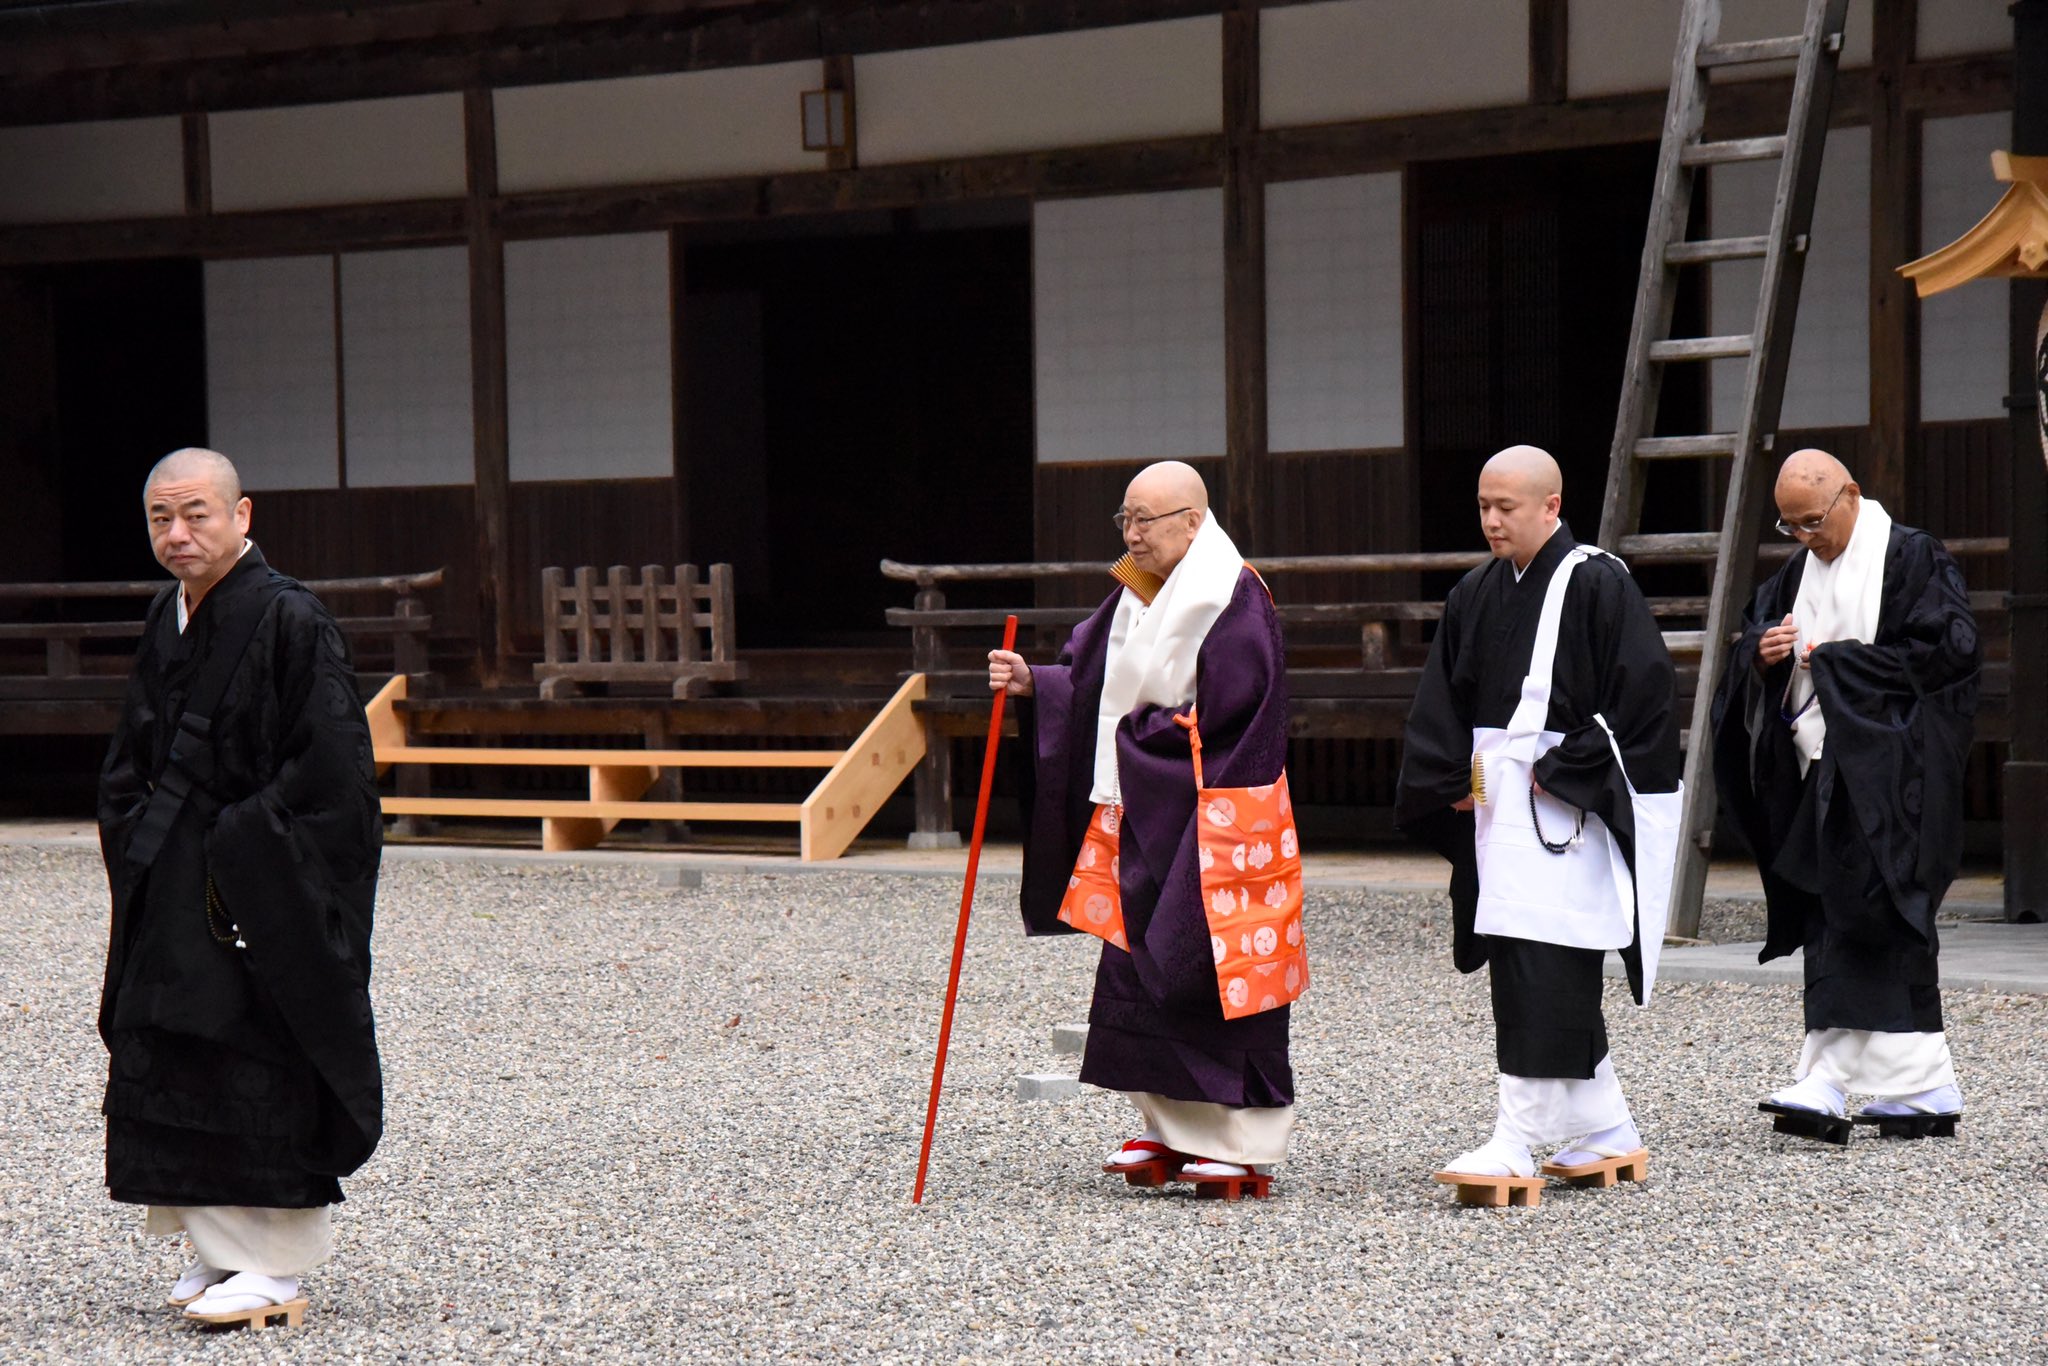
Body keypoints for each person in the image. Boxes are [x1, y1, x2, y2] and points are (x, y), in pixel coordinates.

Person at [97, 448, 384, 1327]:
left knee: (254, 1047)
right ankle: (216, 1250)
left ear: (243, 514)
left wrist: (237, 847)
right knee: (170, 1039)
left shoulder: (293, 619)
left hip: (251, 885)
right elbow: (136, 751)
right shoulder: (168, 615)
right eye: (160, 519)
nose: (178, 535)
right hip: (172, 872)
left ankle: (275, 1268)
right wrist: (139, 823)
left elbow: (335, 778)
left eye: (196, 515)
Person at [988, 460, 1296, 1192]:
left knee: (1207, 965)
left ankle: (1240, 1138)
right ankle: (1168, 1128)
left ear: (1193, 520)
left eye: (1146, 521)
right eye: (1125, 519)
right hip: (1139, 807)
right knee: (1138, 968)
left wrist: (1149, 745)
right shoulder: (1135, 587)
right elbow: (1092, 675)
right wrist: (1037, 682)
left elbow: (1241, 721)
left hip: (1212, 818)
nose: (1132, 534)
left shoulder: (1233, 596)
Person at [1396, 445, 1680, 1201]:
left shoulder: (1598, 582)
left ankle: (1517, 1140)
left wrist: (1564, 770)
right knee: (1527, 956)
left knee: (1545, 965)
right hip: (1497, 806)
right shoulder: (1473, 593)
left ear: (1551, 506)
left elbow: (1646, 707)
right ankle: (1606, 1131)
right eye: (1484, 506)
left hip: (1565, 807)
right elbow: (1443, 704)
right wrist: (1450, 777)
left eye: (1507, 507)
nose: (1492, 520)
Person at [1712, 449, 1979, 1141]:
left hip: (1891, 774)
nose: (1804, 536)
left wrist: (1836, 663)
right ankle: (1917, 1085)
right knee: (1833, 912)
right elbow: (1753, 638)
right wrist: (1763, 655)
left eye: (1813, 520)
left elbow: (1950, 652)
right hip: (1819, 772)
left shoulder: (1912, 557)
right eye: (1791, 525)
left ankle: (1836, 1080)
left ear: (1851, 495)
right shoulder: (1796, 573)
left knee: (1875, 913)